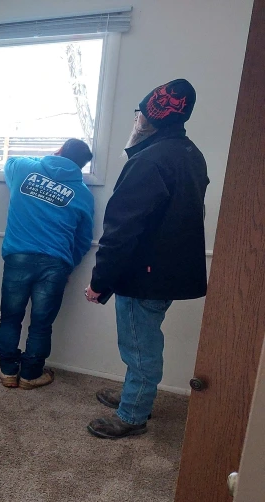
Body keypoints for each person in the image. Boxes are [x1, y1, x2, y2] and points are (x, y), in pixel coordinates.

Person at [85, 79, 208, 439]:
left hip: (145, 274)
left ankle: (133, 414)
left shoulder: (149, 160)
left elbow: (121, 231)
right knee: (142, 340)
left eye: (139, 112)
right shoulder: (190, 153)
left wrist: (99, 282)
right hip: (167, 270)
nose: (136, 118)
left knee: (139, 346)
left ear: (149, 118)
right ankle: (135, 395)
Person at [0, 140, 95, 389]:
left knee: (10, 318)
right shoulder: (83, 193)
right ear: (81, 166)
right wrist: (69, 265)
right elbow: (83, 239)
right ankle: (30, 375)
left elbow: (9, 162)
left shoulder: (24, 169)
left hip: (18, 257)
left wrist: (46, 161)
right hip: (55, 264)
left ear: (59, 150)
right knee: (41, 324)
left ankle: (8, 371)